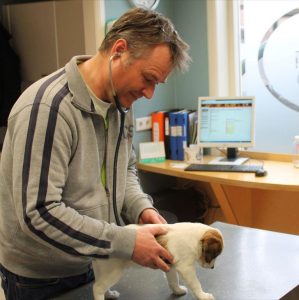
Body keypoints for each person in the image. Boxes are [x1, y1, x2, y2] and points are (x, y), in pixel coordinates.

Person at [0, 7, 191, 300]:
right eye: (148, 78)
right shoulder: (48, 109)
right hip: (42, 278)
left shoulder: (121, 103)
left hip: (94, 259)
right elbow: (38, 212)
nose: (150, 94)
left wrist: (143, 209)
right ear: (119, 50)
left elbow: (124, 171)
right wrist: (125, 241)